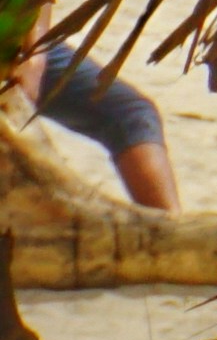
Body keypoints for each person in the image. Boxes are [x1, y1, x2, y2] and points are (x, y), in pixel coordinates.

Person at [6, 22, 176, 215]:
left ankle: (170, 227)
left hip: (16, 40)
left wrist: (36, 56)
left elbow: (40, 3)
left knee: (131, 114)